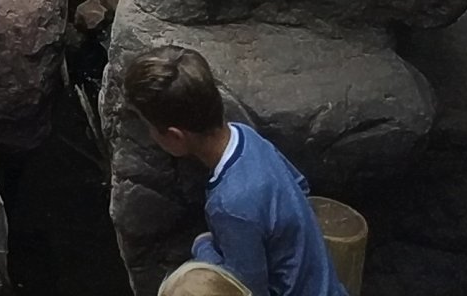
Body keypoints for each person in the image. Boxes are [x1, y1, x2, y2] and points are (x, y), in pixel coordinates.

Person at [123, 44, 346, 296]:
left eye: (149, 127)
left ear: (175, 137)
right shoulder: (248, 137)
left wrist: (204, 248)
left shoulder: (229, 206)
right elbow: (301, 186)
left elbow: (246, 290)